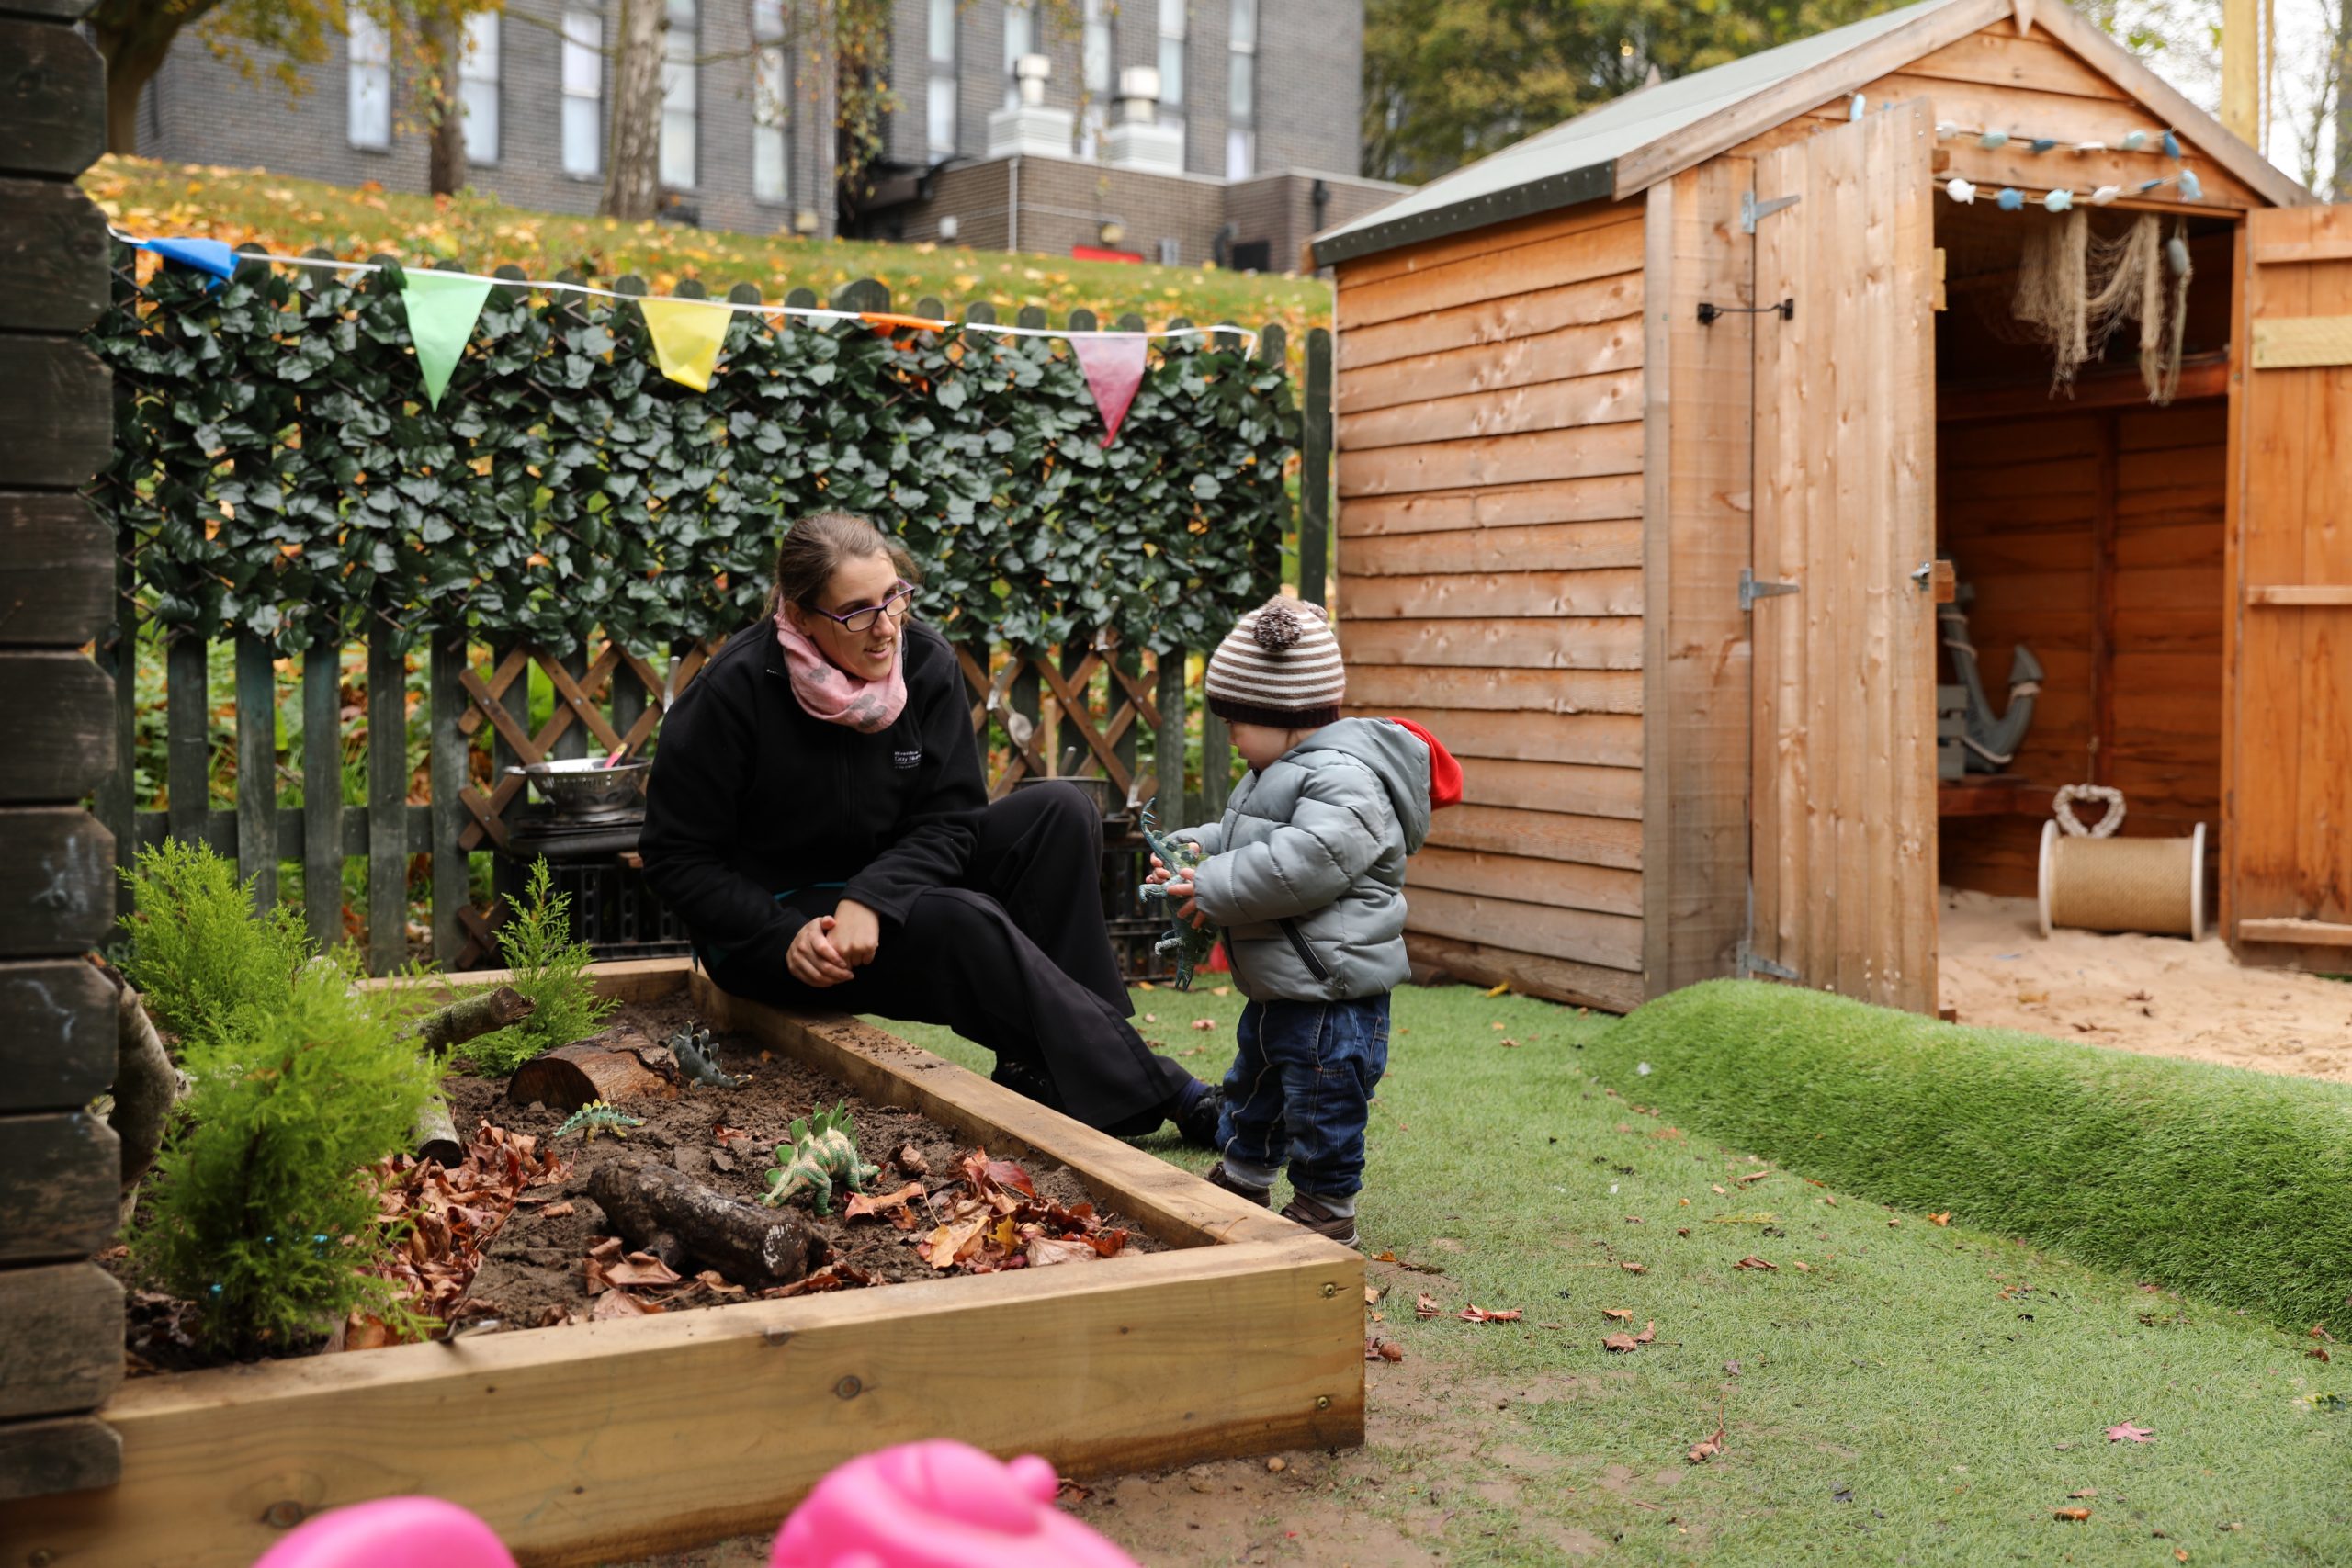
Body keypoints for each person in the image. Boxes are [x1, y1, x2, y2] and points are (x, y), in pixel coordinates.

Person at [640, 511, 1219, 1144]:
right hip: (776, 930)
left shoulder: (925, 666)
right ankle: (1176, 1093)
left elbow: (951, 821)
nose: (885, 626)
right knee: (960, 919)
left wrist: (872, 896)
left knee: (1060, 811)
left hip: (884, 889)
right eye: (856, 611)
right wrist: (781, 933)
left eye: (894, 597)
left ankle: (1046, 1072)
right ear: (800, 616)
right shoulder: (733, 691)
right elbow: (676, 855)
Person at [1148, 595, 1453, 1247]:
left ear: (1283, 714)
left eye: (1235, 721)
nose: (1229, 734)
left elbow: (1308, 862)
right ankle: (1244, 1172)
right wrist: (1202, 849)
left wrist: (1213, 885)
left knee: (1323, 1107)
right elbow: (1249, 836)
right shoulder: (1279, 771)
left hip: (1334, 993)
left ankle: (1326, 1205)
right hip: (1287, 983)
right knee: (1253, 1085)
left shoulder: (1346, 780)